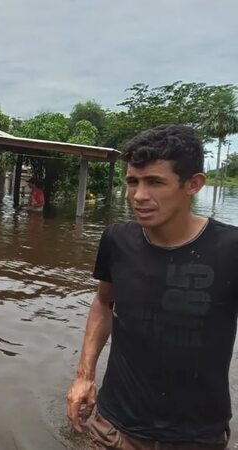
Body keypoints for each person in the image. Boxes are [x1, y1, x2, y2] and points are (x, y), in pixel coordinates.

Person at [66, 124, 238, 450]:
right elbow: (104, 303)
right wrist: (84, 376)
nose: (139, 196)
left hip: (197, 437)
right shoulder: (117, 239)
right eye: (133, 181)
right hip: (114, 426)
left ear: (193, 184)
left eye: (155, 182)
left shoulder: (230, 249)